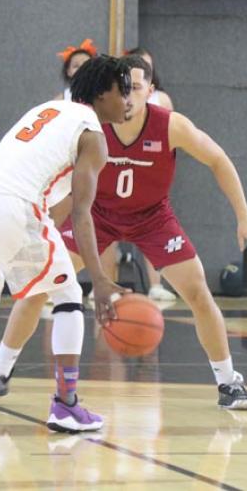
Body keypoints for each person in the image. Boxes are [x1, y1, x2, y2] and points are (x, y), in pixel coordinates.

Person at [0, 55, 247, 411]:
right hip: (97, 215)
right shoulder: (91, 124)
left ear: (151, 92)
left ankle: (228, 383)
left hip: (153, 217)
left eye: (136, 88)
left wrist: (244, 216)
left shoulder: (171, 125)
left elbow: (218, 159)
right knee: (38, 289)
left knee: (197, 291)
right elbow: (65, 183)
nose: (127, 96)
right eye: (122, 88)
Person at [0, 55, 132, 431]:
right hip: (13, 205)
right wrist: (99, 279)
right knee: (67, 297)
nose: (128, 99)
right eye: (121, 90)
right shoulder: (93, 136)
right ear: (100, 93)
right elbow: (81, 214)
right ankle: (66, 404)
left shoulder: (49, 108)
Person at [93, 46, 177, 302]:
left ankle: (156, 284)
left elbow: (171, 138)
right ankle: (106, 286)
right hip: (112, 181)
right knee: (105, 237)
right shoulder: (108, 102)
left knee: (154, 232)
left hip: (146, 180)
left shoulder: (162, 103)